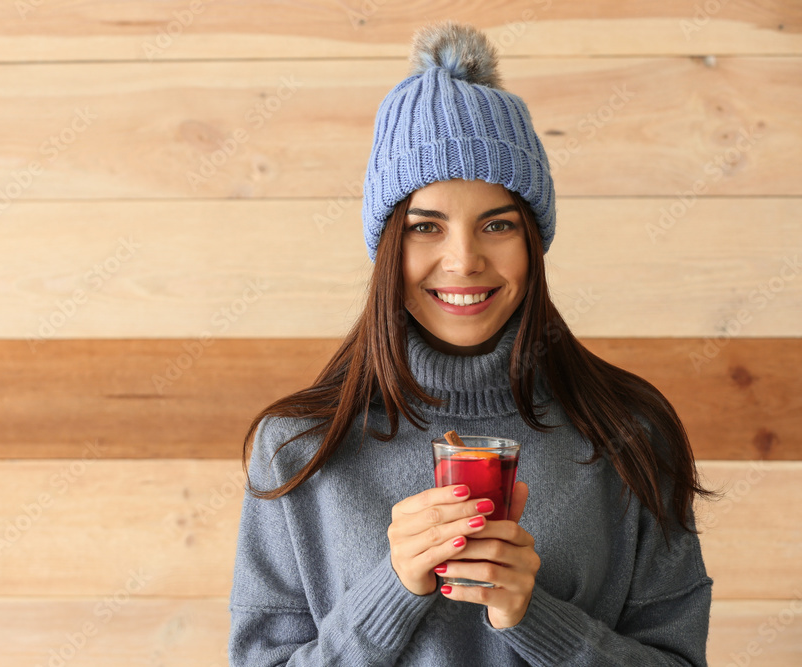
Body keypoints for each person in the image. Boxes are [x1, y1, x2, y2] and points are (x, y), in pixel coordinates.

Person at [229, 20, 713, 666]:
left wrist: (533, 616)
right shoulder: (296, 447)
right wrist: (392, 589)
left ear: (533, 242)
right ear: (387, 247)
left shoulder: (630, 431)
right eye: (426, 226)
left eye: (498, 224)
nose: (463, 261)